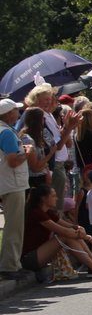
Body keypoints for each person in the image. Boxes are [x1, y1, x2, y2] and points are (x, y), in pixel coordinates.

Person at [21, 184, 92, 280]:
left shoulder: (48, 212)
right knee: (65, 236)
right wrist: (86, 237)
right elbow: (64, 231)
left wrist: (79, 228)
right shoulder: (37, 213)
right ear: (43, 198)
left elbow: (70, 226)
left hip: (41, 254)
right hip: (30, 259)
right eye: (53, 196)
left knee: (72, 235)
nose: (56, 198)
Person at [1, 98, 33, 280]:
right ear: (7, 114)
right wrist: (27, 154)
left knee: (13, 225)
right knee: (14, 226)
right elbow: (13, 160)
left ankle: (12, 264)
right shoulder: (6, 133)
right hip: (12, 183)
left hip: (8, 182)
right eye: (15, 110)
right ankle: (10, 266)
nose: (18, 113)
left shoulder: (5, 130)